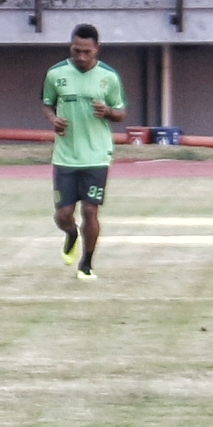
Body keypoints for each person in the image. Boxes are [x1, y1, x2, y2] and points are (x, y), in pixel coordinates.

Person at [42, 24, 125, 280]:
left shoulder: (108, 77)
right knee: (63, 214)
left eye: (86, 52)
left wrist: (108, 112)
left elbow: (121, 112)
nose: (81, 57)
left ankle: (86, 264)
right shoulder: (56, 74)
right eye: (77, 51)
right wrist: (53, 119)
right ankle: (71, 233)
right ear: (71, 47)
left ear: (96, 50)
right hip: (66, 156)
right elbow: (47, 103)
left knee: (90, 211)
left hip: (97, 155)